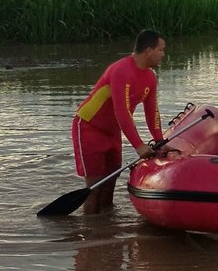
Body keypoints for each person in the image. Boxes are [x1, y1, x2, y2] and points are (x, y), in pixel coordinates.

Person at [70, 29, 165, 214]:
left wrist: (159, 140)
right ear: (148, 50)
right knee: (96, 186)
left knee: (110, 181)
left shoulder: (150, 77)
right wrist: (138, 145)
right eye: (160, 50)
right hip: (89, 127)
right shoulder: (121, 70)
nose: (163, 54)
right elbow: (122, 111)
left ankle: (107, 226)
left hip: (113, 131)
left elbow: (152, 112)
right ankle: (89, 229)